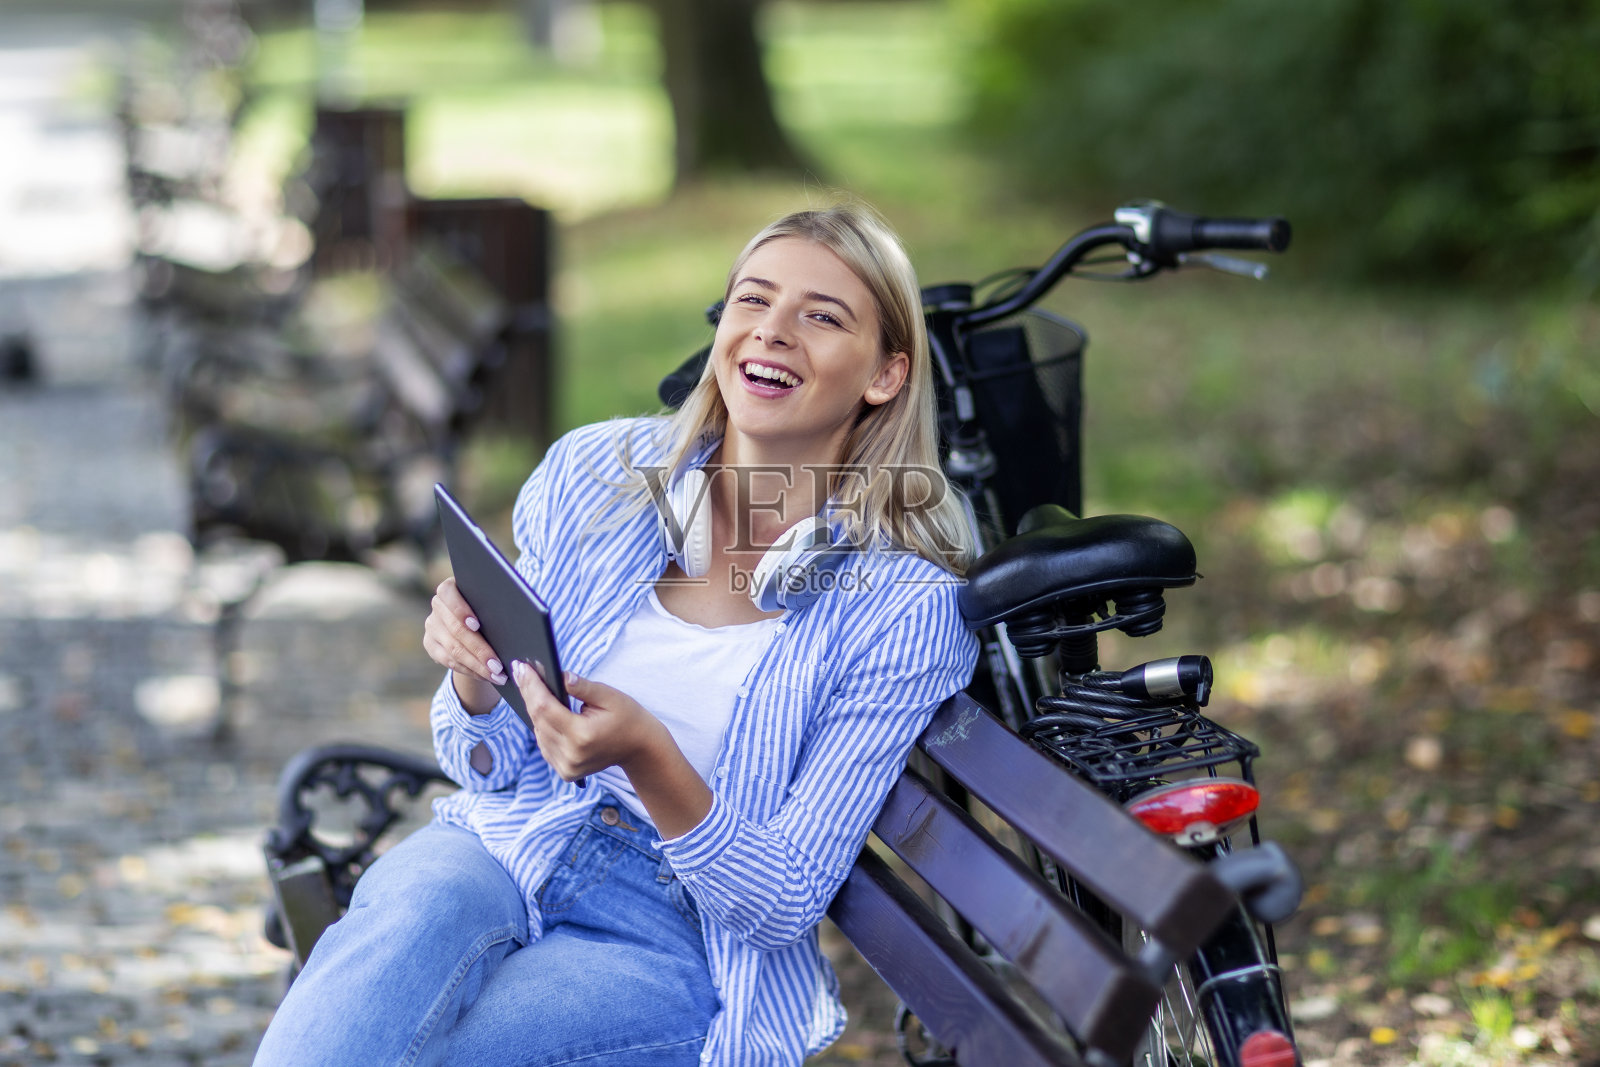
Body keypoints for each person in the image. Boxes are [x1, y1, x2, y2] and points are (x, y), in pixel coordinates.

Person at [253, 202, 979, 1067]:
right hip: (506, 844)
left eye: (822, 316)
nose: (773, 331)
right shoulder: (599, 475)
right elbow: (481, 764)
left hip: (666, 933)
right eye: (753, 300)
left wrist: (649, 756)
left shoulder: (902, 607)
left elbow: (784, 898)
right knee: (393, 937)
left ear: (886, 375)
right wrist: (475, 674)